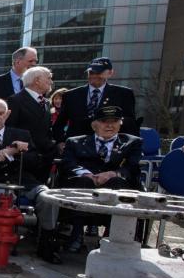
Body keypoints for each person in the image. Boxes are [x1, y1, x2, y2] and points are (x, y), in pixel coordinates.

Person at [0, 99, 62, 263]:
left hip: (27, 182)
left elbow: (36, 162)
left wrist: (14, 153)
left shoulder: (22, 134)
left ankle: (47, 242)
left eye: (1, 113)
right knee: (3, 198)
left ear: (7, 114)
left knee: (49, 198)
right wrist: (1, 157)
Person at [60, 105, 143, 252]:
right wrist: (86, 173)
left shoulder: (132, 142)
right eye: (105, 121)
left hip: (115, 184)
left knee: (117, 182)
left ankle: (110, 236)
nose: (110, 125)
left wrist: (113, 173)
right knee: (83, 182)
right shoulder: (75, 142)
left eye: (115, 121)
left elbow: (132, 167)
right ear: (94, 125)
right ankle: (77, 234)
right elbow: (68, 163)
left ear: (121, 123)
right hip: (85, 184)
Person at [54, 57, 137, 143]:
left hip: (110, 148)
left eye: (99, 72)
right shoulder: (70, 95)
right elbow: (59, 124)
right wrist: (60, 142)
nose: (94, 75)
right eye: (91, 72)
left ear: (110, 73)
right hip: (77, 149)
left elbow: (131, 125)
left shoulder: (124, 94)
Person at [6, 66, 58, 181]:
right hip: (24, 160)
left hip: (45, 158)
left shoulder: (46, 102)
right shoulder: (15, 100)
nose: (51, 82)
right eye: (48, 78)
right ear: (37, 81)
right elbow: (10, 129)